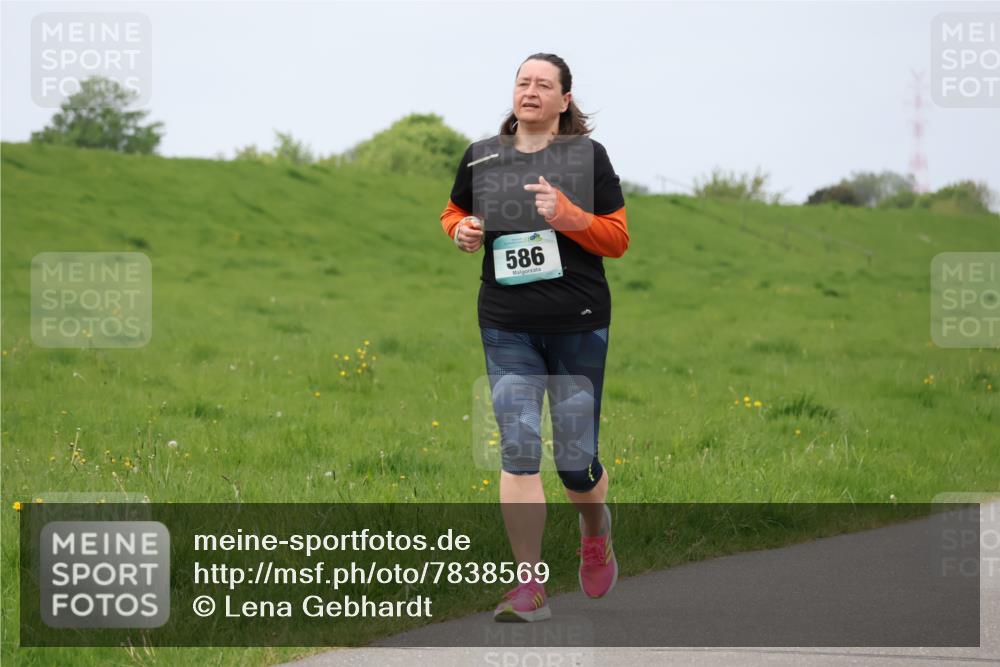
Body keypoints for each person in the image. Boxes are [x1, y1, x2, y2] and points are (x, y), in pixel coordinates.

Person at [439, 53, 629, 623]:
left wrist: (569, 214)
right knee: (519, 450)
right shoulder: (482, 157)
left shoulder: (587, 158)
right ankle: (528, 586)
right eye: (523, 82)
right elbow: (453, 211)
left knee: (575, 464)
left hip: (577, 321)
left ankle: (595, 533)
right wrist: (463, 231)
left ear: (565, 100)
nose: (531, 91)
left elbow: (617, 239)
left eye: (544, 84)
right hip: (506, 322)